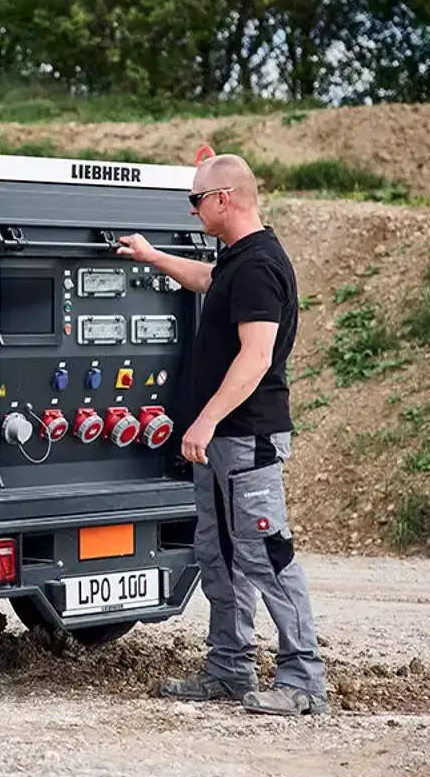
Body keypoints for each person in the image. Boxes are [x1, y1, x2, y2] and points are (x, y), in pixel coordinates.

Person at [115, 153, 329, 717]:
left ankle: (304, 681)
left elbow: (256, 357)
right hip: (221, 441)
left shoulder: (259, 266)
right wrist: (153, 256)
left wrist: (206, 420)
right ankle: (230, 669)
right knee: (220, 555)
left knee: (266, 555)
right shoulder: (237, 261)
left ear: (224, 199)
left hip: (245, 437)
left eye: (196, 200)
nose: (192, 210)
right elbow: (206, 279)